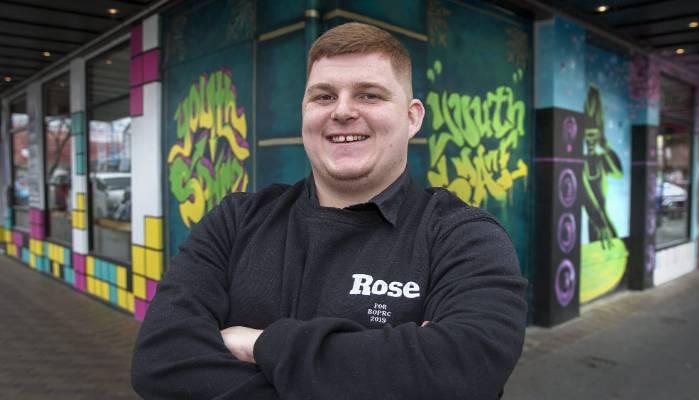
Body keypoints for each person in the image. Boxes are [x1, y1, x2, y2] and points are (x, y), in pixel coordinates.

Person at [131, 22, 527, 399]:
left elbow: (465, 371)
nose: (342, 111)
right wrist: (385, 369)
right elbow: (161, 362)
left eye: (369, 95)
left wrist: (260, 345)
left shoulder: (464, 237)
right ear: (304, 112)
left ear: (412, 118)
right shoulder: (235, 221)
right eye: (323, 96)